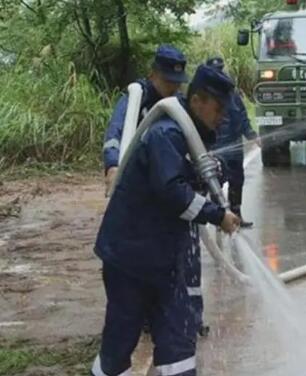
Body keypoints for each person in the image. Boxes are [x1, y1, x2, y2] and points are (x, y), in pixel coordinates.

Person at [91, 64, 241, 376]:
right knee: (120, 342)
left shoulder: (191, 137)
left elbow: (197, 173)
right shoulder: (165, 134)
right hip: (129, 258)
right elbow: (173, 193)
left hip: (164, 260)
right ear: (197, 101)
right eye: (218, 108)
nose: (223, 116)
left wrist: (216, 170)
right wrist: (217, 215)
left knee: (178, 342)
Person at [103, 44, 189, 193]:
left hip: (169, 176)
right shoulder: (135, 99)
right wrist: (113, 165)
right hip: (137, 175)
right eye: (168, 81)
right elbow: (114, 133)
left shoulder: (179, 104)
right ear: (153, 74)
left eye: (177, 82)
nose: (174, 87)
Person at [206, 57, 260, 228]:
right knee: (217, 182)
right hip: (216, 147)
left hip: (234, 145)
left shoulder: (232, 94)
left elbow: (242, 116)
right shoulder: (204, 95)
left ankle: (236, 215)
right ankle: (220, 218)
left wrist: (252, 136)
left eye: (220, 69)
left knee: (237, 180)